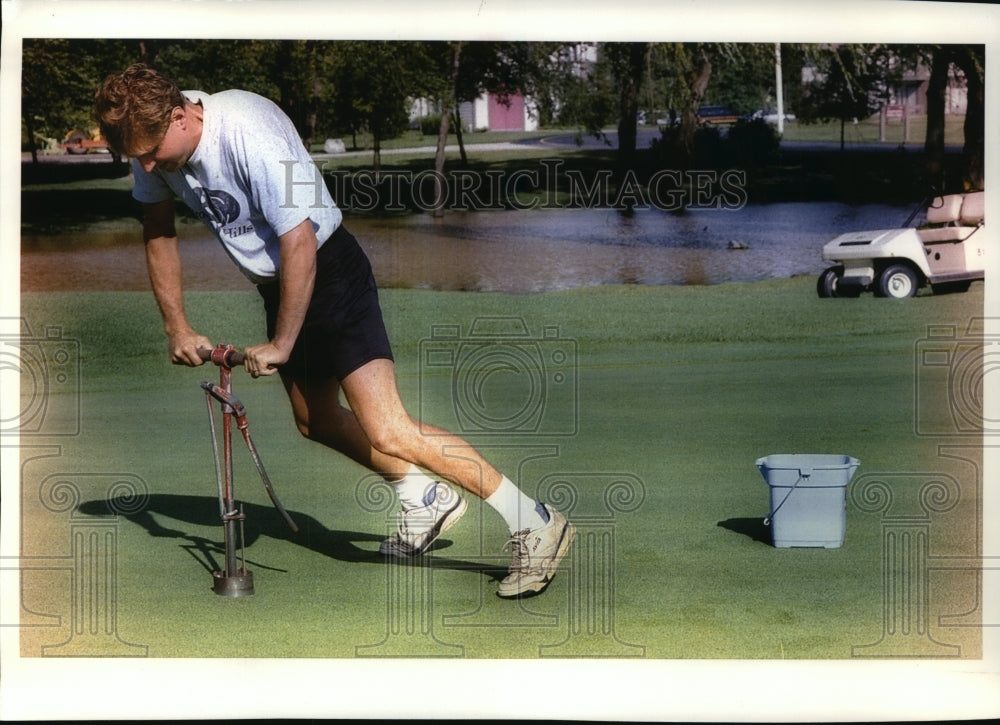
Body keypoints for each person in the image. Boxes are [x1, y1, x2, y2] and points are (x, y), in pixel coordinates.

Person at [94, 63, 574, 598]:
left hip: (329, 267)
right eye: (138, 155)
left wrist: (282, 342)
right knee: (315, 419)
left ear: (181, 114)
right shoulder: (151, 141)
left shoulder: (247, 131)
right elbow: (158, 230)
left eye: (153, 151)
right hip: (280, 284)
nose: (148, 164)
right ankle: (426, 497)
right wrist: (177, 325)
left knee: (388, 429)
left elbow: (298, 240)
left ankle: (534, 518)